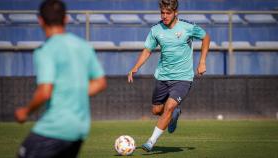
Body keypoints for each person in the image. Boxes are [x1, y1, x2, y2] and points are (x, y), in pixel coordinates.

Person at [14, 0, 107, 157]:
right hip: (79, 129)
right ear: (66, 19)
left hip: (55, 127)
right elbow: (100, 83)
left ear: (40, 21)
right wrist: (74, 93)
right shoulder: (83, 46)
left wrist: (25, 111)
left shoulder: (45, 50)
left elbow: (45, 92)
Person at [128, 0, 210, 152]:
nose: (164, 16)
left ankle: (150, 142)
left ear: (175, 13)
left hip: (183, 78)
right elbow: (147, 50)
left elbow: (206, 37)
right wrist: (135, 67)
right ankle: (174, 114)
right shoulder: (156, 30)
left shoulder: (188, 27)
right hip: (163, 77)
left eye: (168, 13)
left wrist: (202, 61)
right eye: (162, 13)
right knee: (157, 111)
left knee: (170, 106)